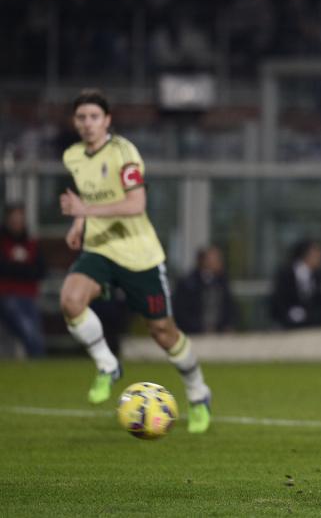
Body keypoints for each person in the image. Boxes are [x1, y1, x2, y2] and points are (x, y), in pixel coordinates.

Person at [60, 89, 212, 433]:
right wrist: (80, 223)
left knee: (163, 332)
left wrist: (85, 210)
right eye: (81, 117)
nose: (87, 123)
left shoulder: (124, 152)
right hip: (100, 249)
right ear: (75, 122)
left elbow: (136, 204)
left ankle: (198, 392)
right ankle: (107, 364)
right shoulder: (73, 156)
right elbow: (89, 191)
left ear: (107, 120)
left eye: (94, 117)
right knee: (71, 300)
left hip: (138, 255)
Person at [0, 203, 47, 357]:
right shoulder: (3, 243)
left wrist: (15, 267)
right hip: (7, 296)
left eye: (20, 219)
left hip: (30, 296)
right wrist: (24, 268)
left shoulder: (32, 243)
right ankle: (37, 359)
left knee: (34, 331)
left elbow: (41, 271)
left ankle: (37, 361)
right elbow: (3, 269)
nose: (17, 223)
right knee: (27, 330)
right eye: (14, 219)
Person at [174, 245, 237, 334]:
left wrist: (227, 326)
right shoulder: (187, 283)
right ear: (203, 261)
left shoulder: (222, 282)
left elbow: (230, 308)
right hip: (194, 334)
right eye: (214, 260)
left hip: (219, 334)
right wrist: (199, 328)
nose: (219, 262)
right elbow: (181, 312)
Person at [270, 239, 321, 328]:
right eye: (317, 254)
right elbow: (279, 299)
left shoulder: (318, 276)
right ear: (306, 255)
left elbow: (320, 301)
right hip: (287, 323)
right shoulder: (286, 273)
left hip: (312, 324)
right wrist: (290, 314)